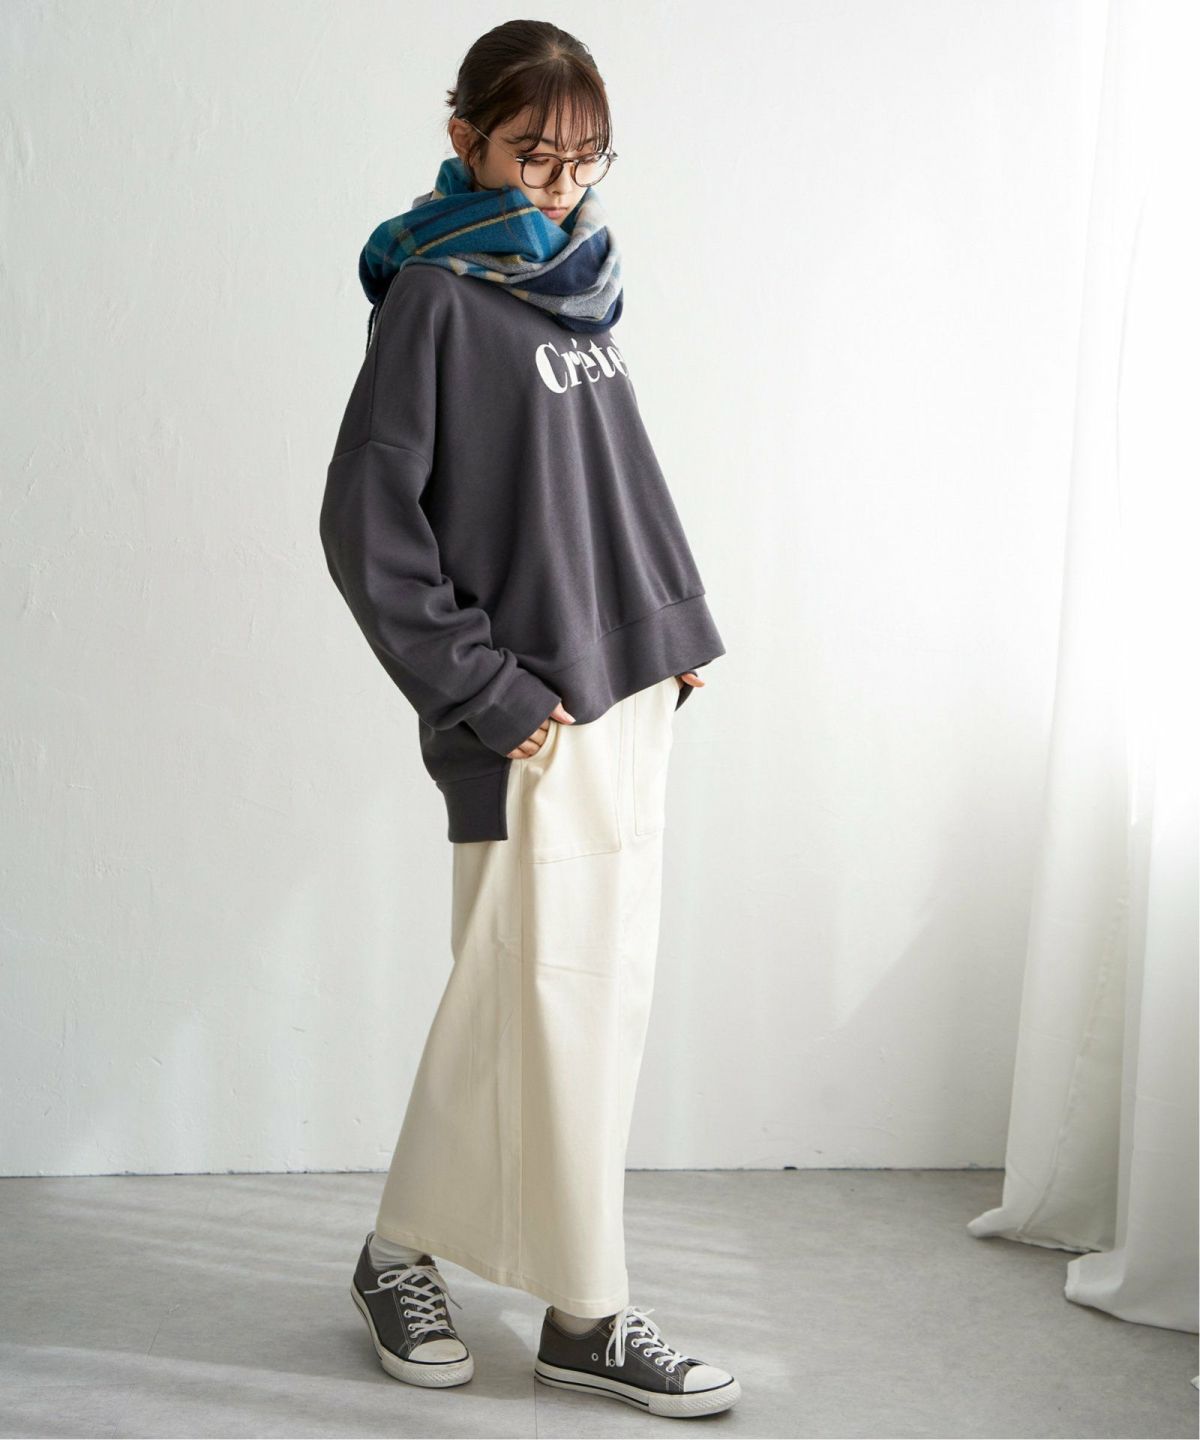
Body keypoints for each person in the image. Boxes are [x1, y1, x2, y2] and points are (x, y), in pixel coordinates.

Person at [319, 19, 739, 1420]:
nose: (560, 187)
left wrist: (668, 629)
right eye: (533, 156)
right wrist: (491, 694)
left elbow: (609, 478)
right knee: (532, 1006)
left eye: (583, 161)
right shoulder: (439, 297)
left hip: (621, 701)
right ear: (465, 140)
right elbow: (368, 528)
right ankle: (549, 1301)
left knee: (585, 1012)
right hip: (530, 722)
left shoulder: (578, 284)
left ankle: (500, 1286)